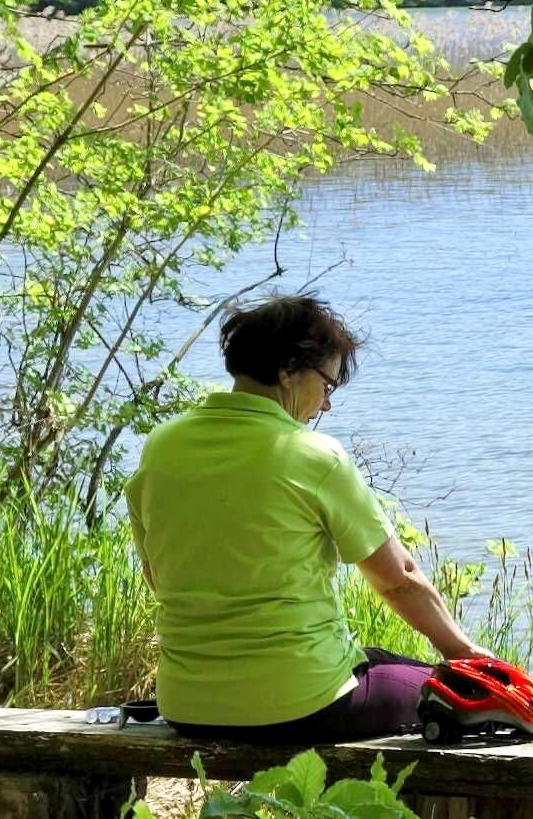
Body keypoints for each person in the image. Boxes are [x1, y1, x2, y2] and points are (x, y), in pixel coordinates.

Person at [127, 294, 497, 750]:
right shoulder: (312, 455)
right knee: (467, 694)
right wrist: (465, 653)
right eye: (328, 384)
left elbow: (156, 577)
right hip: (302, 704)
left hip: (188, 706)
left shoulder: (162, 446)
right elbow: (399, 580)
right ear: (288, 369)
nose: (326, 405)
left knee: (379, 663)